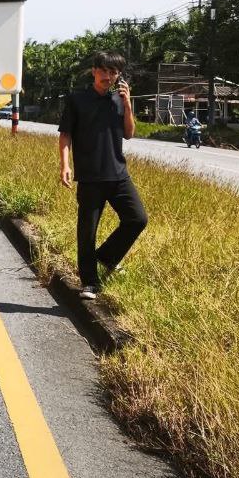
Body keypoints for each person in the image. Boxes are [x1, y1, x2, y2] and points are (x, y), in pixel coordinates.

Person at [57, 51, 148, 300]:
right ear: (94, 71)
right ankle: (90, 282)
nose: (108, 76)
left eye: (113, 72)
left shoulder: (118, 100)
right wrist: (65, 165)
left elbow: (129, 133)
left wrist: (128, 104)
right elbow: (65, 135)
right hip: (89, 176)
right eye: (104, 70)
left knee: (137, 219)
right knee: (87, 231)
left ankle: (106, 257)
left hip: (118, 173)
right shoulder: (77, 99)